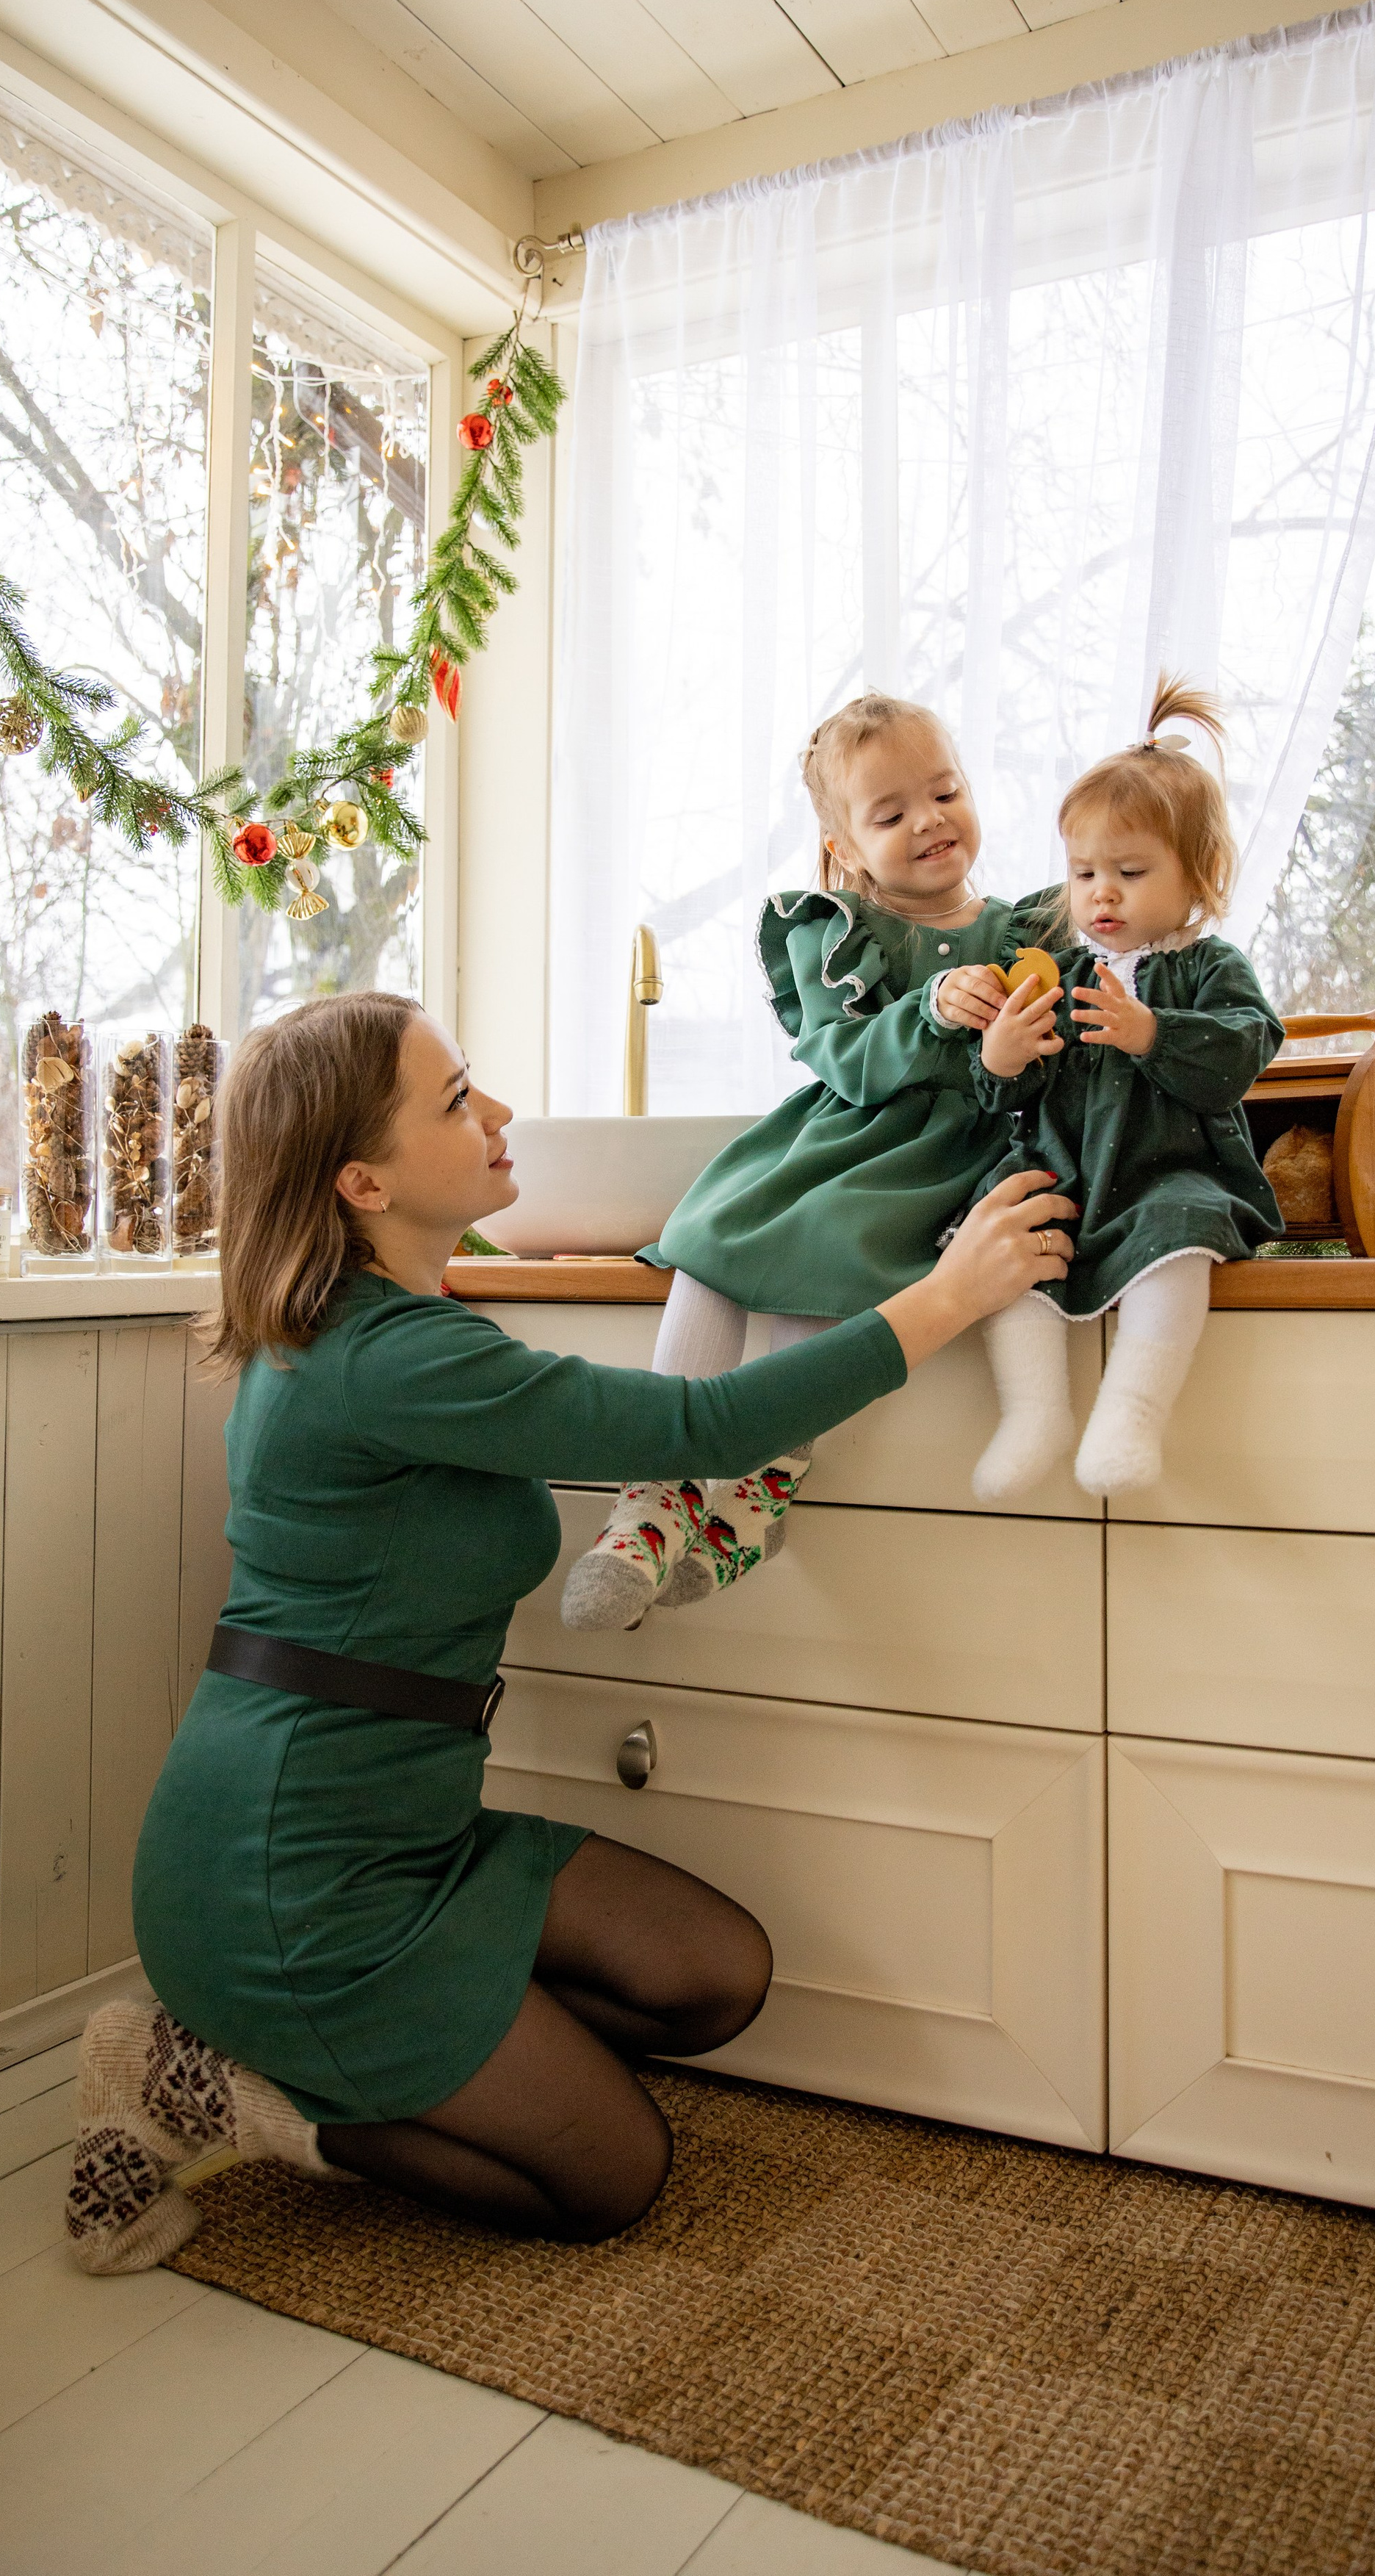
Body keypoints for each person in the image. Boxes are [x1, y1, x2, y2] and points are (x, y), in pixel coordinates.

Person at [67, 992, 1073, 2273]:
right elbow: (701, 1427)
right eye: (456, 1100)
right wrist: (945, 1296)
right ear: (362, 1179)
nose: (495, 1113)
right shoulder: (390, 1361)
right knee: (611, 2174)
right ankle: (198, 2082)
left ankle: (434, 2041)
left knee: (716, 1975)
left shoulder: (388, 1328)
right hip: (287, 1884)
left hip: (405, 1835)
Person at [562, 692, 1058, 1633]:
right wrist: (924, 1009)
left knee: (827, 1235)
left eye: (945, 791)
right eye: (889, 813)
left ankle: (758, 1485)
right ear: (843, 850)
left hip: (949, 1155)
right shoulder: (836, 932)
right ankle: (655, 1493)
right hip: (848, 1130)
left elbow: (1053, 1067)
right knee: (715, 1230)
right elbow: (845, 1057)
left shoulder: (1030, 929)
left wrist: (1008, 1044)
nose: (929, 820)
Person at [959, 677, 1285, 1502]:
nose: (1101, 893)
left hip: (1163, 1172)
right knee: (1000, 1227)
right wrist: (1000, 1057)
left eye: (1130, 871)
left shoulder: (1207, 966)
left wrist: (1153, 1033)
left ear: (1199, 874)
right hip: (1064, 1172)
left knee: (1184, 1230)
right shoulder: (1058, 974)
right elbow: (1007, 1099)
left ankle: (1132, 1410)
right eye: (1083, 872)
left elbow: (1248, 1048)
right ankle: (1033, 1412)